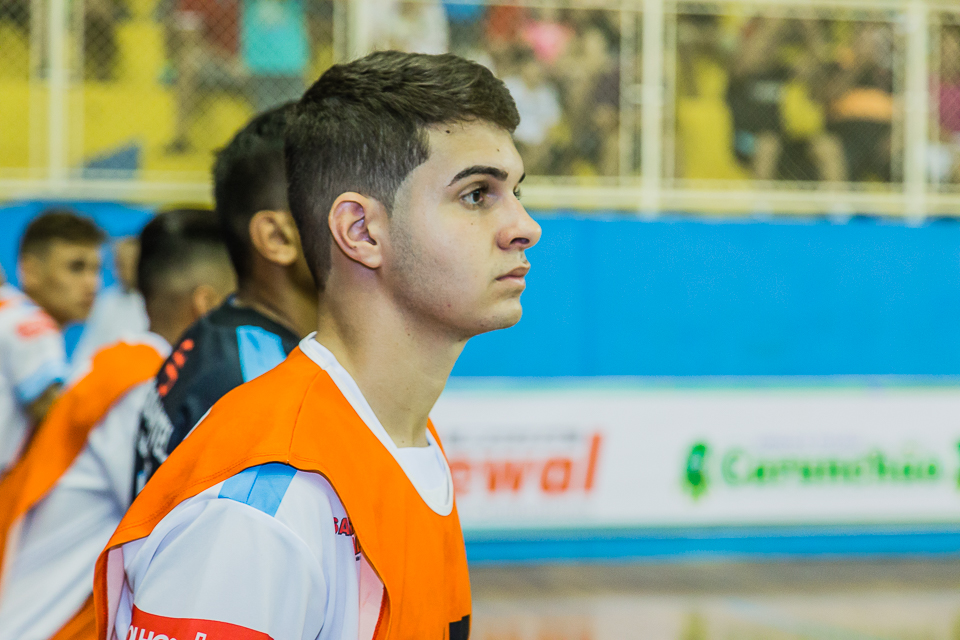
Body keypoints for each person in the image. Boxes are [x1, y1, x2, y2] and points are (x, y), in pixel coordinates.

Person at [95, 51, 540, 639]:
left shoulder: (403, 438)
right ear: (361, 231)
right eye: (477, 195)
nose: (525, 226)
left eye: (515, 190)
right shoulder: (265, 504)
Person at [0, 208, 237, 640]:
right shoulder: (141, 385)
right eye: (239, 304)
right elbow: (174, 528)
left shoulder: (128, 367)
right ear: (208, 304)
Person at [132, 103, 317, 494]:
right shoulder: (256, 383)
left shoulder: (222, 339)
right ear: (278, 237)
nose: (366, 221)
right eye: (343, 199)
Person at [0, 210, 103, 474]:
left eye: (96, 269)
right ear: (31, 271)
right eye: (76, 267)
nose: (92, 283)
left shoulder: (9, 309)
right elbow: (62, 427)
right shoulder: (32, 326)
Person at [72, 236, 150, 368]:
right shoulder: (106, 301)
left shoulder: (153, 303)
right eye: (120, 264)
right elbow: (88, 348)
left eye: (130, 264)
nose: (124, 271)